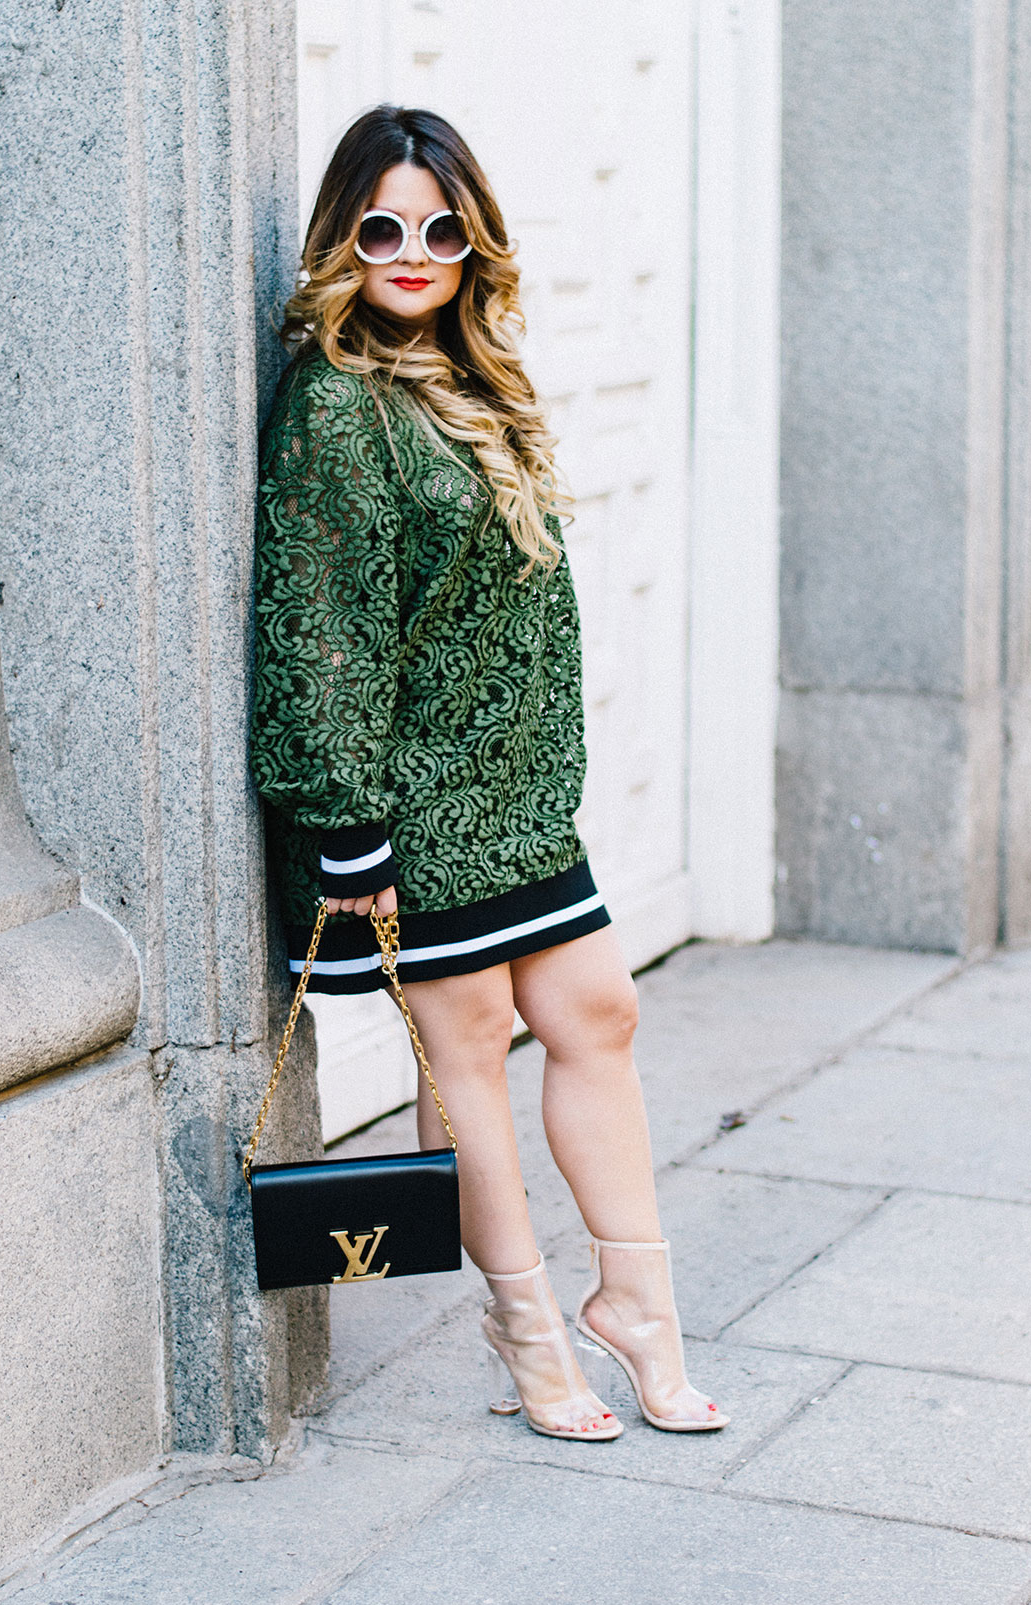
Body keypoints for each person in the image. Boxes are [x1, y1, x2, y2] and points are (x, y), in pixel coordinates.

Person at [250, 104, 727, 1440]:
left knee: (601, 1014)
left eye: (440, 229)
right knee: (468, 1053)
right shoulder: (336, 405)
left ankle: (636, 1306)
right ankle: (530, 1335)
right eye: (382, 227)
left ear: (475, 245)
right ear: (344, 239)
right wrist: (349, 832)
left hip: (515, 802)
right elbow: (320, 633)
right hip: (410, 808)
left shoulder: (473, 382)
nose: (412, 252)